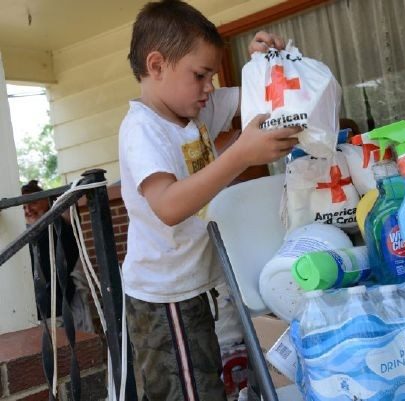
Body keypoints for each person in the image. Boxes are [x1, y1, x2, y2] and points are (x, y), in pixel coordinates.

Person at [119, 1, 299, 399]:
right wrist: (238, 156)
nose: (209, 89)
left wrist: (265, 64)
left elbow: (255, 100)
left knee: (207, 384)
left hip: (195, 286)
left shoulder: (193, 111)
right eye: (200, 75)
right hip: (164, 298)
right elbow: (167, 205)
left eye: (212, 77)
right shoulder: (143, 129)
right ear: (157, 65)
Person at [21, 180, 94, 332]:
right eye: (23, 207)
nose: (28, 210)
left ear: (47, 200)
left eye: (32, 203)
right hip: (36, 314)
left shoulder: (61, 224)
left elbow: (67, 202)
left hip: (63, 308)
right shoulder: (24, 237)